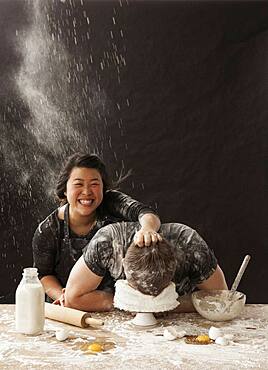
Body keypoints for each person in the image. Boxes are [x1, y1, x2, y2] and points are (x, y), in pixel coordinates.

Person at [32, 153, 162, 304]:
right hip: (70, 308)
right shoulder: (48, 229)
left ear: (103, 188)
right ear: (65, 190)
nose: (87, 192)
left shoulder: (112, 202)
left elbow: (145, 213)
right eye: (78, 184)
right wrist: (62, 296)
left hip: (114, 304)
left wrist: (148, 228)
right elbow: (43, 275)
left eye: (94, 184)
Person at [64, 221, 228, 312]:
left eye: (157, 294)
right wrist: (126, 304)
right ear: (124, 266)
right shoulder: (108, 243)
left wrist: (169, 305)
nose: (148, 302)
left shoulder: (190, 245)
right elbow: (72, 298)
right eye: (140, 294)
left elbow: (221, 298)